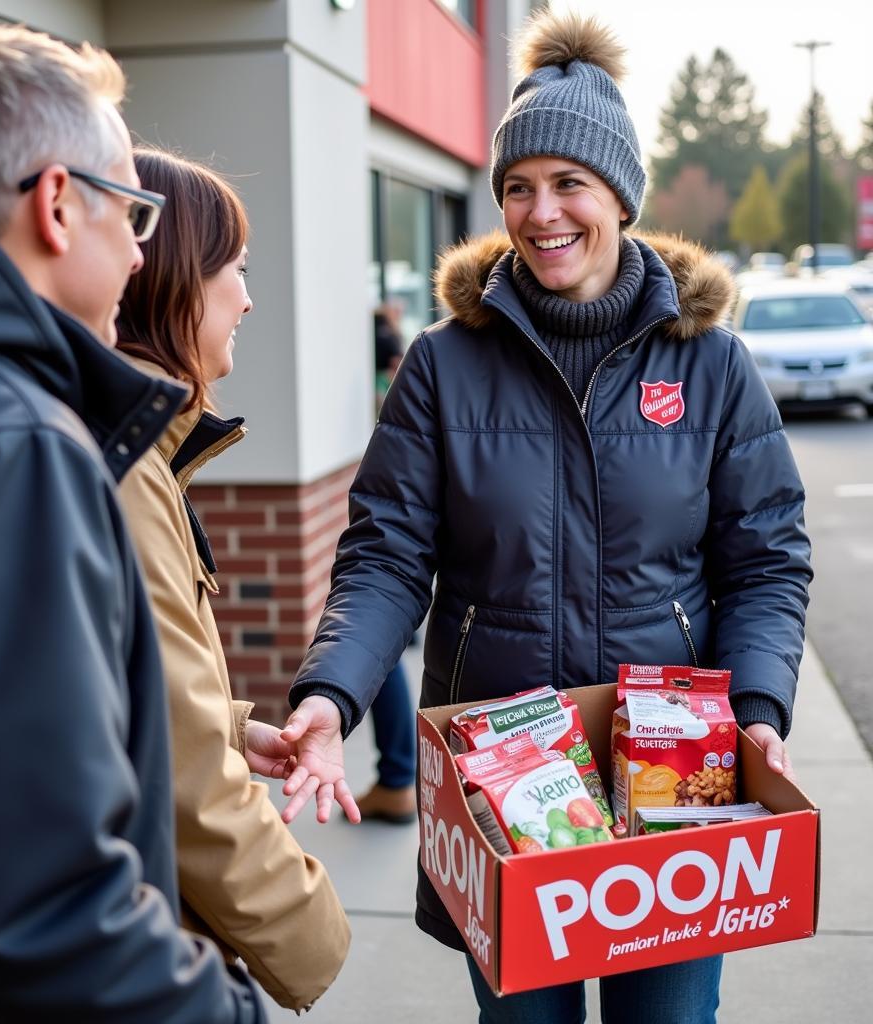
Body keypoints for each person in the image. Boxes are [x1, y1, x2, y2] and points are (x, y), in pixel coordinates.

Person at [280, 11, 812, 1023]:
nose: (541, 211)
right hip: (505, 789)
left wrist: (758, 711)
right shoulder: (444, 363)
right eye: (517, 187)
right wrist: (332, 693)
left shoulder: (709, 362)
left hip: (676, 779)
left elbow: (766, 562)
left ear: (619, 192)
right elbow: (386, 552)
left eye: (569, 182)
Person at [0, 20, 263, 1022]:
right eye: (136, 210)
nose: (140, 247)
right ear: (58, 203)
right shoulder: (10, 447)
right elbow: (44, 915)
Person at [114, 146, 350, 1011]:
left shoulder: (142, 450)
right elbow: (182, 776)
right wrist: (316, 930)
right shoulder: (128, 464)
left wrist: (233, 726)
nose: (248, 298)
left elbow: (134, 687)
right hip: (147, 939)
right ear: (171, 279)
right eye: (235, 270)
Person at [353, 304, 419, 824]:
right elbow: (383, 565)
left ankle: (398, 775)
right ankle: (397, 775)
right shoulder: (433, 357)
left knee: (391, 652)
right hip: (384, 494)